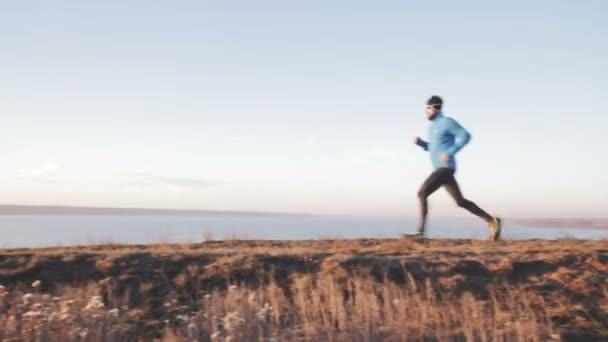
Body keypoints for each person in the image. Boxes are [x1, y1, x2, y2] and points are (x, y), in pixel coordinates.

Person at [409, 95, 502, 240]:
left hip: (445, 168)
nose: (426, 112)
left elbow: (465, 136)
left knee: (422, 193)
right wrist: (421, 143)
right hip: (442, 169)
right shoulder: (431, 127)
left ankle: (420, 232)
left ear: (435, 107)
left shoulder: (447, 122)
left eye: (428, 108)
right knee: (460, 201)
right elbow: (433, 148)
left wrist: (451, 152)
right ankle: (492, 221)